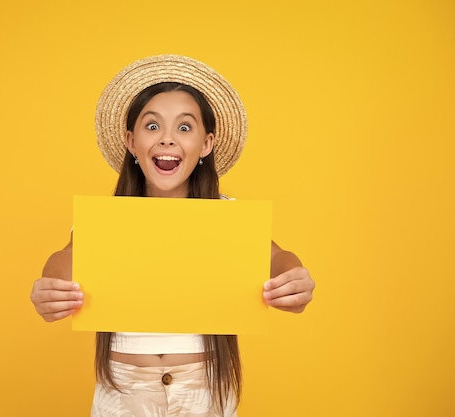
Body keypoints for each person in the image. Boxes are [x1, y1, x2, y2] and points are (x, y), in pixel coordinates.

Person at [30, 55, 315, 417]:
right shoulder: (107, 220)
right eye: (152, 126)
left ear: (206, 144)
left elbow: (277, 258)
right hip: (123, 391)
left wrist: (295, 278)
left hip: (205, 392)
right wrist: (49, 289)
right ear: (131, 142)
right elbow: (63, 263)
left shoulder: (226, 215)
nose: (167, 139)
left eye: (184, 128)